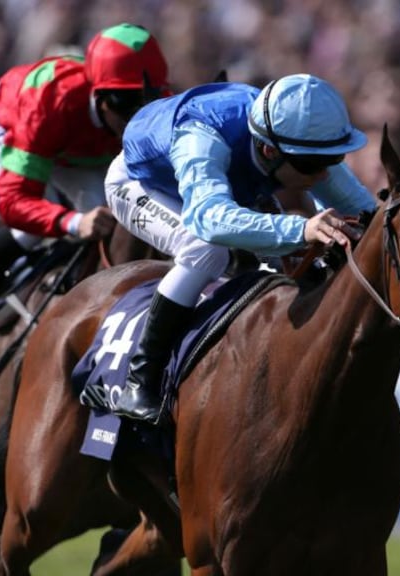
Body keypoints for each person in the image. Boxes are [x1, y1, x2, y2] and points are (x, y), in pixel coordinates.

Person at [104, 73, 377, 423]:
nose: (324, 175)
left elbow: (366, 212)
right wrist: (303, 228)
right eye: (312, 165)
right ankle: (140, 379)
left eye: (333, 159)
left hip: (221, 186)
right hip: (141, 184)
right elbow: (209, 220)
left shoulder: (292, 141)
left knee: (285, 262)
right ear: (269, 150)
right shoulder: (201, 137)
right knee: (205, 250)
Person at [0, 23, 171, 367]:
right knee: (31, 228)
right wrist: (74, 222)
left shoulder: (153, 106)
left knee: (122, 215)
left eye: (147, 101)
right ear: (98, 94)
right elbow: (15, 204)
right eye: (125, 103)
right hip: (8, 125)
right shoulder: (49, 103)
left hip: (81, 148)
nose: (136, 117)